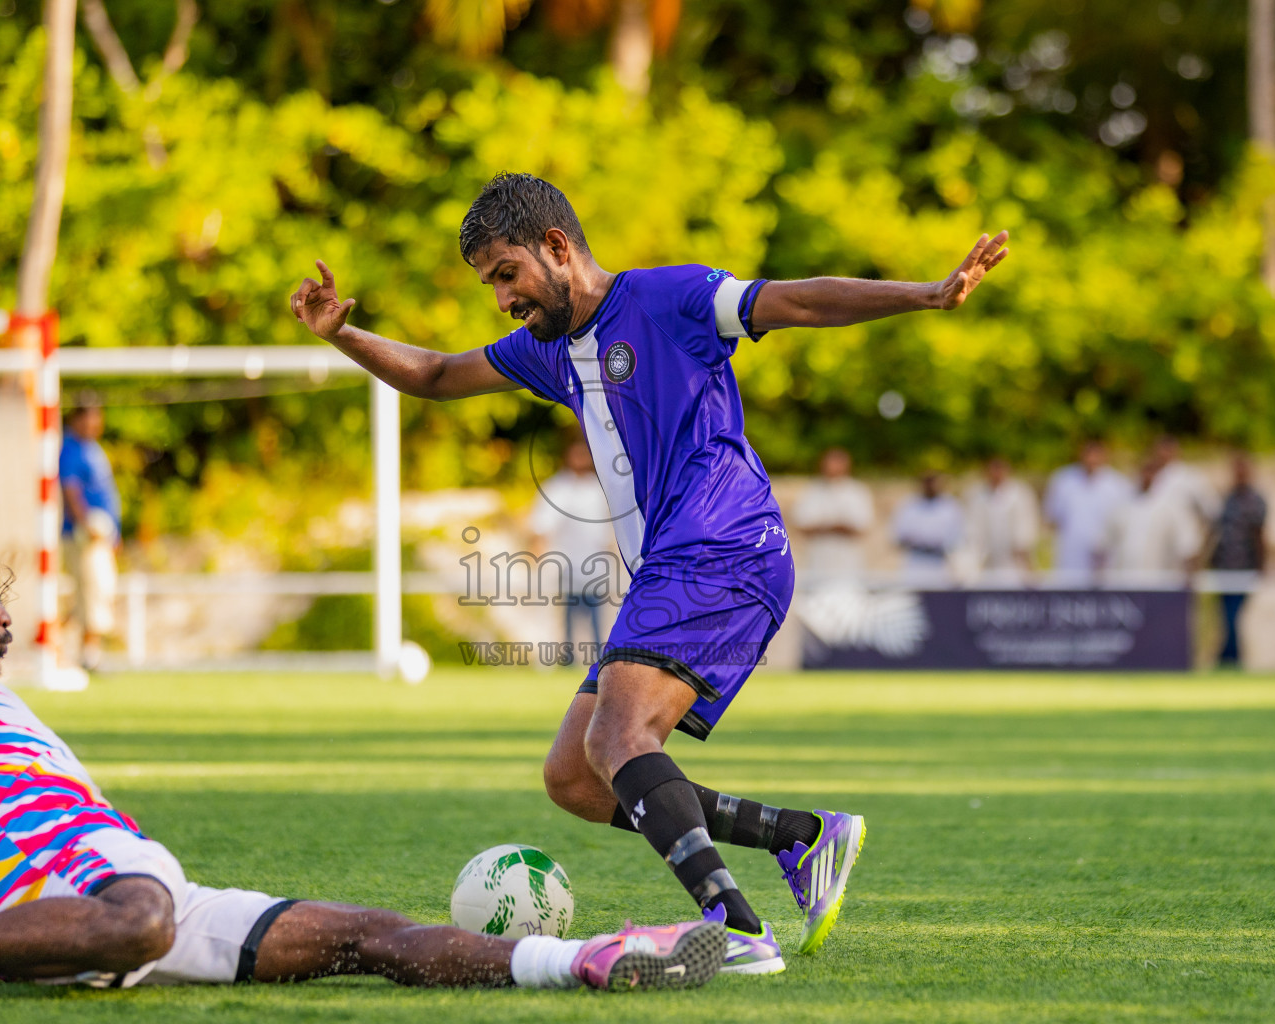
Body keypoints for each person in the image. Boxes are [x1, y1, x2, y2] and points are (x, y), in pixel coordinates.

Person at [290, 172, 1009, 972]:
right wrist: (340, 335)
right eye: (489, 283)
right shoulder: (548, 350)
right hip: (675, 565)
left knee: (620, 734)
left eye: (506, 274)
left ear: (557, 248)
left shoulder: (672, 298)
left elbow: (800, 301)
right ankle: (802, 838)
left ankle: (737, 926)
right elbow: (433, 376)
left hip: (725, 545)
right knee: (575, 776)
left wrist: (928, 295)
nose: (501, 299)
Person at [0, 473, 722, 996]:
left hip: (120, 885)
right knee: (142, 921)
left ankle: (586, 960)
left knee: (370, 935)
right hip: (73, 905)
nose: (7, 609)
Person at [529, 439, 617, 648]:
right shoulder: (558, 488)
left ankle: (597, 659)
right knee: (569, 618)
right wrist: (538, 553)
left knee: (597, 619)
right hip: (568, 565)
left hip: (597, 566)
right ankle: (567, 659)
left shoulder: (599, 487)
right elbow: (541, 524)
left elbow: (609, 528)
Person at [59, 396, 122, 672]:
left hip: (100, 537)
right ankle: (88, 654)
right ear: (77, 419)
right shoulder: (72, 450)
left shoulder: (92, 448)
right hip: (84, 538)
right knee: (90, 594)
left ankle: (57, 642)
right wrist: (87, 526)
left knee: (97, 593)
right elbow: (71, 492)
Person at [1206, 453, 1267, 667]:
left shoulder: (1256, 500)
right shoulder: (1226, 498)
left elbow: (1259, 534)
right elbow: (1215, 531)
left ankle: (1229, 657)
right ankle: (1228, 656)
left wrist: (1261, 565)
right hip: (1223, 566)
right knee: (1225, 615)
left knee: (1233, 614)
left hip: (1244, 566)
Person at [1043, 440, 1135, 580]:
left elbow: (1124, 523)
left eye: (1096, 455)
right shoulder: (1063, 480)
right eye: (1088, 454)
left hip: (1106, 557)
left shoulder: (1118, 484)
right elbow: (1052, 518)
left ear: (1104, 456)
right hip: (1071, 554)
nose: (1092, 459)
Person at [1104, 457, 1201, 581]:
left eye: (1152, 472)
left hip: (1158, 584)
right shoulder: (1123, 506)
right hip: (1124, 583)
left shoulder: (1172, 507)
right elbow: (1105, 544)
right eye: (1145, 471)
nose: (1148, 476)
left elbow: (1188, 547)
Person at [791, 448, 875, 583]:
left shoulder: (857, 492)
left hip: (848, 566)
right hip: (817, 562)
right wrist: (834, 526)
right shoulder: (812, 490)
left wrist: (827, 527)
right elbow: (801, 524)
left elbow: (862, 526)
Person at [964, 457, 1039, 578]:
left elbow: (1026, 525)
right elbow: (973, 528)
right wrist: (975, 556)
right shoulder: (977, 495)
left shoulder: (1020, 493)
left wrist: (1023, 547)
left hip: (1014, 561)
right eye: (993, 470)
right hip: (987, 560)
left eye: (1000, 469)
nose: (996, 474)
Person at [892, 473, 964, 580]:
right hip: (916, 559)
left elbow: (958, 535)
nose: (930, 485)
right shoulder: (909, 505)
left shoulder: (950, 506)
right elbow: (897, 534)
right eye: (927, 482)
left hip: (940, 560)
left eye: (933, 482)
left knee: (939, 594)